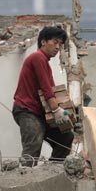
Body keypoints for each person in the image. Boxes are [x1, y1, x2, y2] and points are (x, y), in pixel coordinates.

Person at [12, 26, 74, 166]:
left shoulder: (44, 62)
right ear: (43, 42)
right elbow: (46, 88)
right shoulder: (37, 57)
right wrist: (57, 110)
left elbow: (50, 90)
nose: (58, 47)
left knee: (65, 138)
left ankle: (51, 171)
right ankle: (24, 177)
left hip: (40, 113)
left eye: (60, 44)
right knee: (33, 145)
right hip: (27, 110)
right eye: (55, 42)